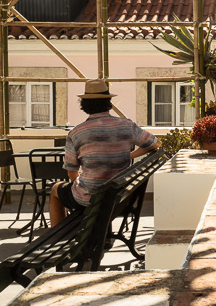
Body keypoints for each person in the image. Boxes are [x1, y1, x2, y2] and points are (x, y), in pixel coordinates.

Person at [49, 79, 159, 227]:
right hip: (120, 198)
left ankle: (58, 233)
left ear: (84, 105)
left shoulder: (76, 133)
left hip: (90, 199)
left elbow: (71, 172)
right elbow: (155, 144)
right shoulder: (127, 125)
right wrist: (129, 155)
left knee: (55, 189)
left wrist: (79, 183)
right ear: (108, 102)